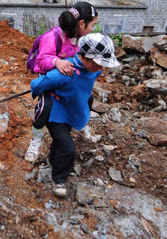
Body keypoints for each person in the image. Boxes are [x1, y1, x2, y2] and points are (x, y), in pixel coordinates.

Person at [30, 33, 120, 197]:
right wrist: (44, 91)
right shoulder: (65, 72)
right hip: (57, 115)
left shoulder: (93, 70)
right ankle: (59, 179)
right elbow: (36, 84)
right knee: (69, 148)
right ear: (86, 58)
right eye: (101, 63)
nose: (103, 69)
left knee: (61, 142)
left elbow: (91, 76)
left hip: (73, 112)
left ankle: (53, 160)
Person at [25, 1, 100, 163]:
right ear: (82, 23)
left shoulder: (82, 39)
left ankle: (79, 124)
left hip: (69, 76)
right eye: (92, 25)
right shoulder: (53, 37)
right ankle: (36, 139)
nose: (92, 29)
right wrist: (57, 62)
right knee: (45, 106)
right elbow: (42, 60)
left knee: (86, 98)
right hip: (49, 76)